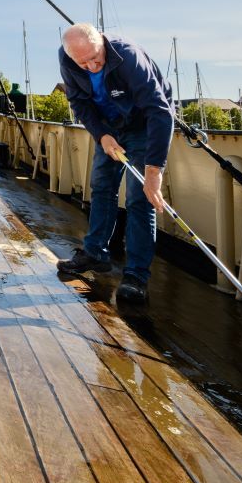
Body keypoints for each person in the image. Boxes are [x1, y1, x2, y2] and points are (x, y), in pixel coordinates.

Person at [55, 23, 175, 304]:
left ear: (102, 43)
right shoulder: (68, 59)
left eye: (96, 57)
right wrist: (102, 134)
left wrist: (154, 171)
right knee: (102, 186)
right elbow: (79, 102)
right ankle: (95, 253)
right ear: (70, 56)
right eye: (82, 62)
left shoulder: (128, 56)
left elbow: (160, 111)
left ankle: (136, 276)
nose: (92, 66)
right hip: (109, 126)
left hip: (142, 124)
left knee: (139, 198)